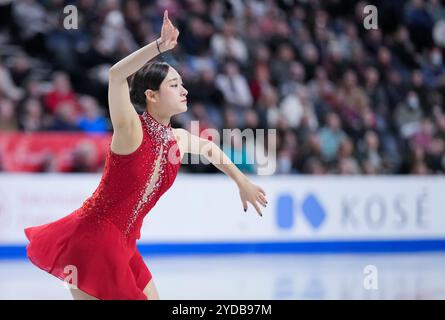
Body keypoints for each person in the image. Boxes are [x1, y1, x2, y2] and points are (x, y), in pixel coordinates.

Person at [23, 10, 268, 300]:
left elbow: (211, 149)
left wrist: (242, 181)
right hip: (94, 240)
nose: (184, 90)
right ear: (152, 95)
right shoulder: (131, 130)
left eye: (182, 84)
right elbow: (116, 76)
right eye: (174, 85)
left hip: (123, 244)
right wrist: (159, 47)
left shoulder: (175, 138)